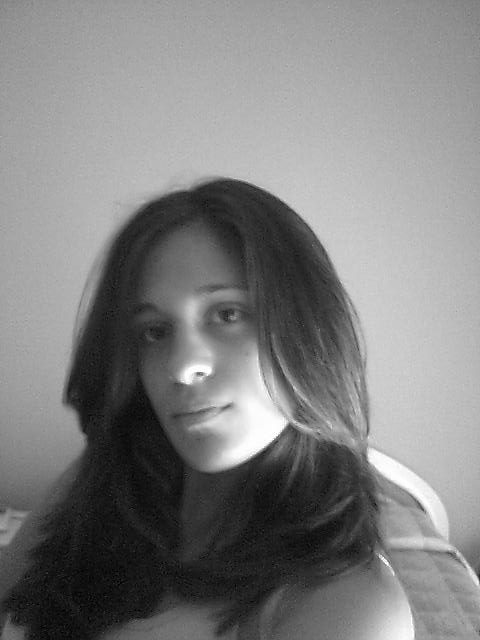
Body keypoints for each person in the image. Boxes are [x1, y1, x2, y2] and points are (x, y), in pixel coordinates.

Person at [0, 178, 414, 639]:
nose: (181, 368)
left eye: (227, 314)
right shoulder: (106, 480)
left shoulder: (348, 606)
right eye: (155, 331)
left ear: (306, 329)